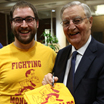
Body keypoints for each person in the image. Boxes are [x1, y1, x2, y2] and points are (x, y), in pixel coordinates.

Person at [42, 1, 104, 104]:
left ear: (90, 22)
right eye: (66, 23)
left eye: (77, 20)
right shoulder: (61, 54)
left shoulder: (102, 55)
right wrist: (50, 81)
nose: (71, 27)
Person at [0, 1, 56, 104]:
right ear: (11, 24)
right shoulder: (1, 56)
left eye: (29, 19)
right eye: (18, 20)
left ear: (37, 23)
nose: (24, 25)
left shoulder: (50, 54)